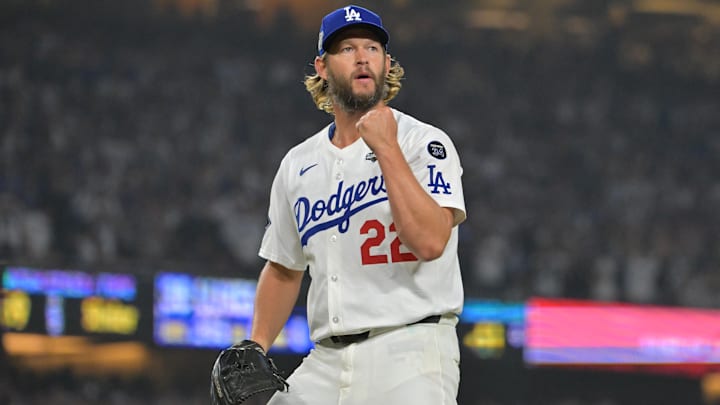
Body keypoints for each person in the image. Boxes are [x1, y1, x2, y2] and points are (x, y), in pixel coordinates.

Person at [250, 4, 466, 404]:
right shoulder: (298, 163)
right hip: (326, 360)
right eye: (347, 49)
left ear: (386, 63)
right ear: (322, 67)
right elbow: (283, 267)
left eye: (372, 47)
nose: (362, 56)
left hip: (410, 350)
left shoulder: (423, 143)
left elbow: (431, 241)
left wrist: (387, 148)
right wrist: (255, 345)